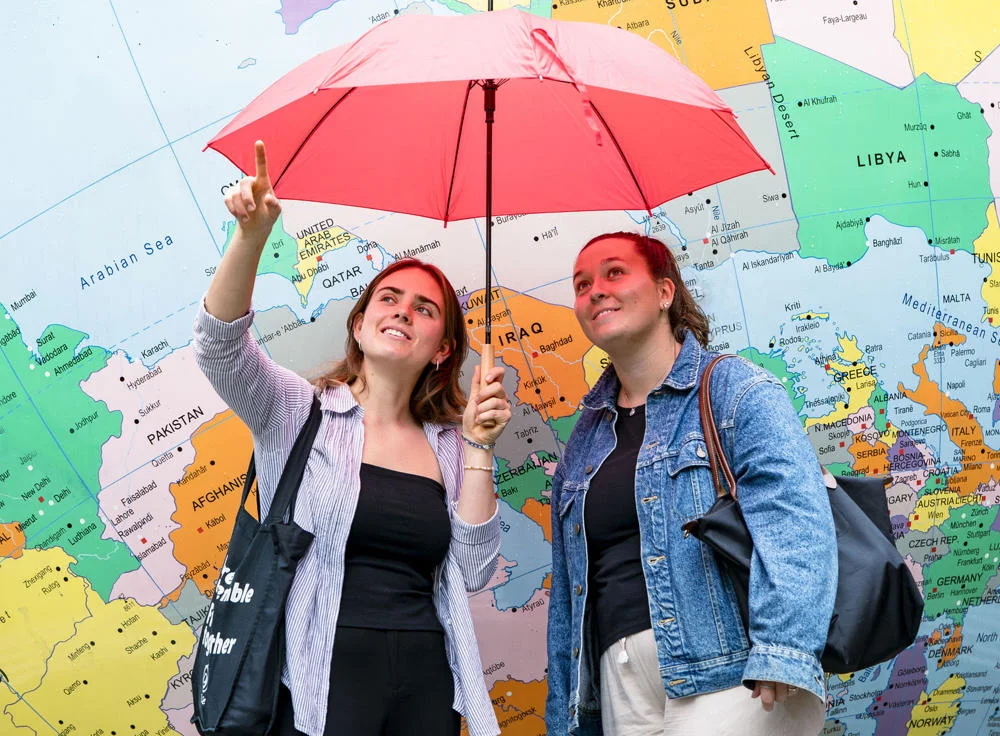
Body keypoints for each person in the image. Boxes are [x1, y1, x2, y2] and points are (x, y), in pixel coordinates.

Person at [193, 141, 510, 736]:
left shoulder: (448, 444)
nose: (402, 312)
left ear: (442, 349)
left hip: (426, 681)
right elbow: (219, 349)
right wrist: (252, 236)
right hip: (321, 681)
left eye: (424, 309)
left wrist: (481, 447)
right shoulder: (296, 412)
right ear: (360, 325)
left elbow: (472, 568)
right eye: (388, 299)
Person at [546, 231, 836, 736]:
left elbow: (795, 520)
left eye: (615, 272)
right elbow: (568, 596)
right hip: (621, 687)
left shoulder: (734, 388)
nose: (594, 290)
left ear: (665, 293)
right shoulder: (585, 440)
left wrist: (781, 650)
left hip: (735, 673)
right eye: (581, 283)